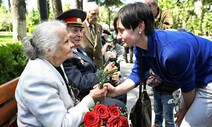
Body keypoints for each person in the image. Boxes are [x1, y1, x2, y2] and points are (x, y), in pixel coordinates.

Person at [105, 2, 212, 127]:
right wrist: (115, 91)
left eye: (121, 30)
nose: (118, 36)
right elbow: (138, 73)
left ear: (140, 27)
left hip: (208, 81)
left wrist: (185, 110)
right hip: (194, 83)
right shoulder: (140, 46)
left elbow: (187, 86)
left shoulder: (171, 52)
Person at [15, 20, 108, 126]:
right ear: (48, 49)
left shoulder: (54, 62)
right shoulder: (37, 78)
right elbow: (61, 124)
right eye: (66, 42)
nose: (72, 44)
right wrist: (91, 99)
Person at [56, 9, 127, 106]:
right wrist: (104, 74)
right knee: (119, 105)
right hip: (85, 98)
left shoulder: (79, 48)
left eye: (81, 30)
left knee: (122, 91)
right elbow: (80, 83)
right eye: (75, 31)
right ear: (64, 33)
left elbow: (93, 69)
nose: (79, 35)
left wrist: (109, 76)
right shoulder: (66, 55)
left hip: (95, 88)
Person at [144, 0, 177, 126]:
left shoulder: (165, 14)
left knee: (169, 118)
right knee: (157, 113)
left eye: (148, 6)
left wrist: (151, 20)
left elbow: (168, 28)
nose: (146, 8)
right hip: (156, 80)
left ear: (155, 5)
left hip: (168, 85)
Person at [81, 2, 104, 69]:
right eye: (93, 14)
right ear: (86, 13)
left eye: (97, 14)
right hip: (85, 67)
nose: (96, 17)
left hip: (98, 67)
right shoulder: (80, 27)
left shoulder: (99, 27)